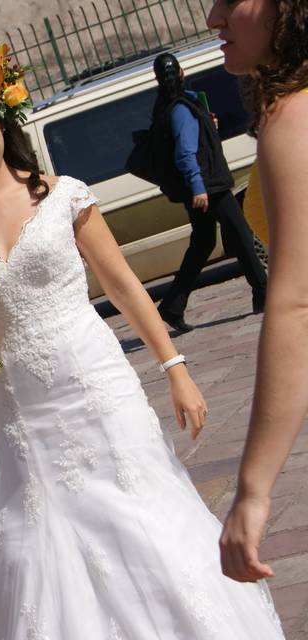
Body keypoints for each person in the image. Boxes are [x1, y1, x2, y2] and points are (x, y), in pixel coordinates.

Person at [0, 46, 285, 637]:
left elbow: (125, 286)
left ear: (0, 122)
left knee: (138, 515)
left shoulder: (61, 195)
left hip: (97, 384)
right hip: (20, 411)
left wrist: (175, 366)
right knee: (41, 539)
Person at [208, 0, 308, 584]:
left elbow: (296, 303)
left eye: (230, 0)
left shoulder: (292, 118)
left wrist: (252, 491)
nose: (213, 19)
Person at [149, 53, 267, 333]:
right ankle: (263, 292)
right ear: (181, 72)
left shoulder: (175, 104)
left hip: (204, 184)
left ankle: (172, 305)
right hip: (208, 186)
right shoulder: (180, 107)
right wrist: (198, 187)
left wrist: (206, 126)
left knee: (202, 243)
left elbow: (192, 142)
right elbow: (186, 153)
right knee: (240, 233)